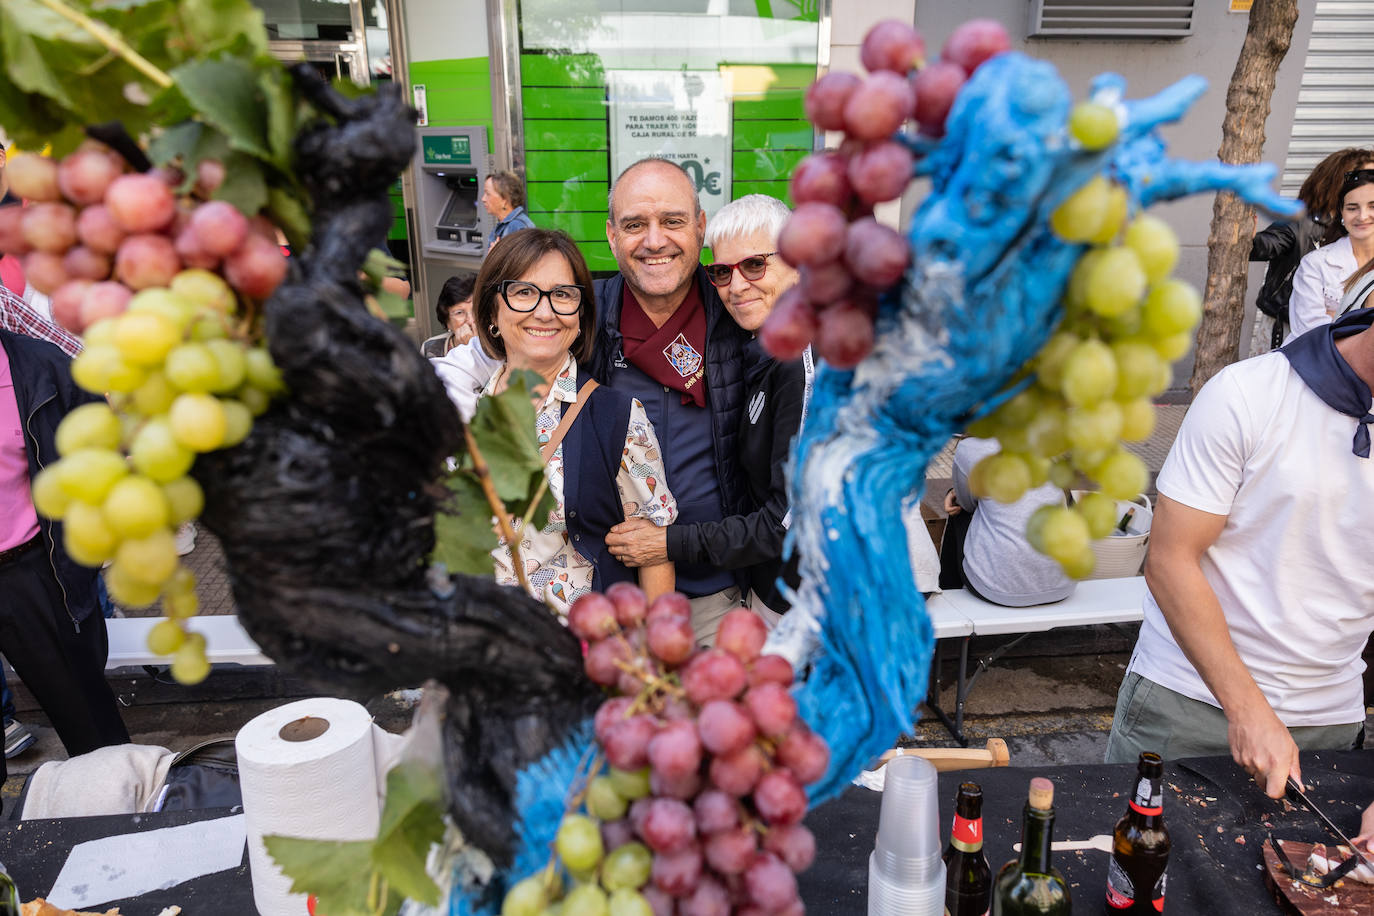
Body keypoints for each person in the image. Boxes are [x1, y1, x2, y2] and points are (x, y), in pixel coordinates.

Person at [433, 157, 752, 639]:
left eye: (672, 221)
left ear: (700, 227)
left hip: (713, 589)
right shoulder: (586, 307)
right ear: (610, 235)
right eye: (634, 224)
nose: (654, 240)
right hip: (595, 593)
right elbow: (494, 350)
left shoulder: (737, 314)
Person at [1105, 305, 1374, 798]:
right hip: (1187, 705)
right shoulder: (1250, 392)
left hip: (1332, 721)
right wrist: (1248, 709)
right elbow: (1168, 560)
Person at [605, 194, 806, 623]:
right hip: (771, 592)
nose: (736, 286)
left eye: (755, 265)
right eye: (721, 272)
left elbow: (786, 520)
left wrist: (668, 543)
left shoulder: (805, 361)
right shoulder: (765, 349)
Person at [470, 228, 676, 616]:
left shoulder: (616, 417)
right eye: (524, 291)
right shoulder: (462, 414)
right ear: (492, 311)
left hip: (575, 656)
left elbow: (655, 553)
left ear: (580, 316)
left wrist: (654, 656)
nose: (544, 311)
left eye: (562, 295)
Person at [0, 326, 131, 793]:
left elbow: (104, 450)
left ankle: (122, 815)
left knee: (88, 722)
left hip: (34, 571)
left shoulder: (40, 365)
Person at [1251, 147, 1374, 349]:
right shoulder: (1301, 222)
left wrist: (1339, 318)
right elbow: (1263, 246)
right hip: (1286, 327)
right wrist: (1247, 239)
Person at [941, 436, 1076, 607]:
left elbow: (967, 504)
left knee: (958, 511)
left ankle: (947, 594)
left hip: (997, 589)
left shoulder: (972, 447)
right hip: (1063, 584)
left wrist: (954, 493)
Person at [1286, 167, 1374, 341]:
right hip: (1319, 364)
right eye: (1352, 208)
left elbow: (1327, 328)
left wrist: (1336, 318)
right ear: (1341, 213)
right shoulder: (1315, 263)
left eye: (1372, 206)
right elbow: (1309, 331)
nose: (1362, 216)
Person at [421, 274, 476, 358]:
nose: (471, 320)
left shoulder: (498, 346)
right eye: (459, 312)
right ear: (447, 321)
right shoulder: (430, 349)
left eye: (476, 310)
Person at [482, 170, 535, 249]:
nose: (483, 199)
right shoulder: (509, 225)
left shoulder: (518, 227)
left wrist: (496, 255)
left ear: (505, 200)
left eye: (488, 194)